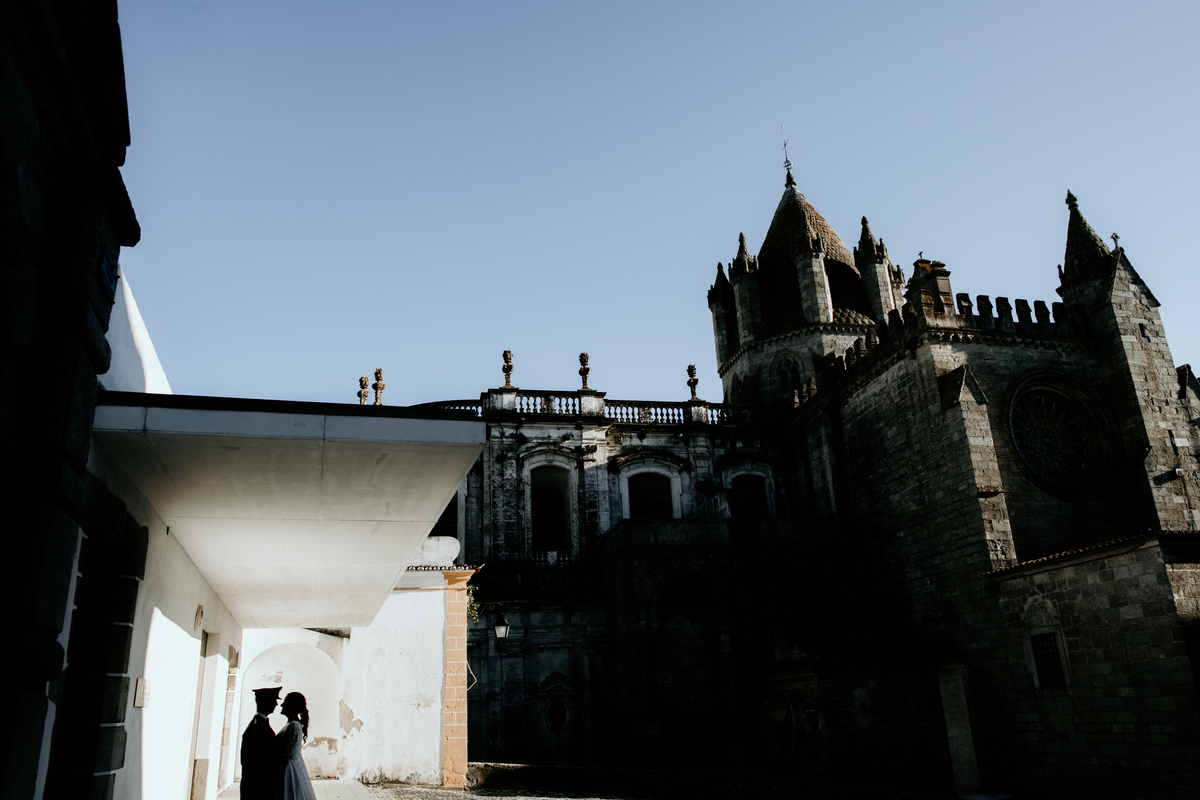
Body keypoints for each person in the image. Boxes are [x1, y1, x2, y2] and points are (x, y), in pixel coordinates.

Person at [240, 687, 283, 800]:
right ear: (265, 702)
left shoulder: (259, 724)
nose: (276, 704)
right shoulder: (258, 727)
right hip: (258, 787)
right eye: (273, 700)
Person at [275, 692, 318, 800]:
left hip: (288, 771)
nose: (282, 705)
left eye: (285, 703)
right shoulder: (291, 724)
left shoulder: (293, 726)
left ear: (291, 706)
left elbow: (287, 752)